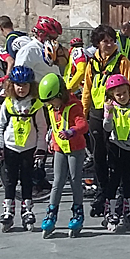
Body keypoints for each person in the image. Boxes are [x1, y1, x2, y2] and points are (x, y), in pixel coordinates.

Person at [81, 25, 130, 212]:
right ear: (98, 43)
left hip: (118, 114)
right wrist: (83, 113)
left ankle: (119, 193)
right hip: (97, 113)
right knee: (98, 156)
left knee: (117, 156)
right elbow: (87, 90)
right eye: (106, 41)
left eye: (112, 40)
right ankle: (103, 192)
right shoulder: (92, 63)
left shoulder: (122, 62)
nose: (110, 44)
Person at [0, 66, 45, 232]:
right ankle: (8, 209)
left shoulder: (36, 104)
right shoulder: (8, 104)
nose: (21, 88)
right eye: (18, 85)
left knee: (27, 180)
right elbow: (0, 125)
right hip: (10, 147)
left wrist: (41, 148)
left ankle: (27, 208)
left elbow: (42, 127)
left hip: (28, 149)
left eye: (25, 85)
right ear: (12, 85)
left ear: (31, 86)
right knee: (10, 181)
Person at [38, 73, 88, 238]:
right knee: (57, 182)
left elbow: (83, 124)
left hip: (75, 148)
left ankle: (78, 213)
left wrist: (71, 131)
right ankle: (51, 213)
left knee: (75, 180)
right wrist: (52, 141)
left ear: (60, 95)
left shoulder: (73, 105)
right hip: (60, 148)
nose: (50, 105)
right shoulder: (53, 107)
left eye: (52, 100)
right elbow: (55, 125)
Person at [104, 73, 130, 232]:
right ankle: (111, 210)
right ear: (112, 96)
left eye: (124, 93)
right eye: (118, 94)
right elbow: (107, 128)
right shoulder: (111, 108)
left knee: (128, 180)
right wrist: (108, 114)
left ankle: (129, 209)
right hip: (115, 147)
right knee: (113, 180)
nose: (121, 97)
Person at [15, 16, 65, 83]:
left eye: (55, 38)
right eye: (51, 37)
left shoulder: (51, 50)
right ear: (41, 34)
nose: (53, 41)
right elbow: (20, 77)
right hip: (37, 91)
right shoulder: (28, 51)